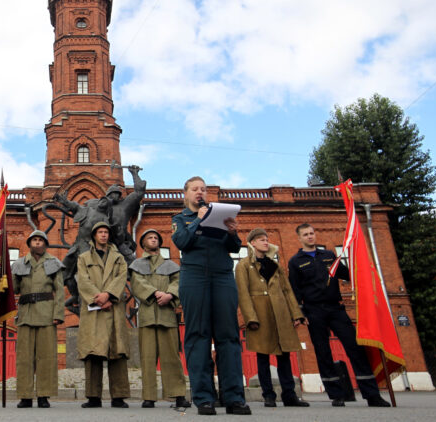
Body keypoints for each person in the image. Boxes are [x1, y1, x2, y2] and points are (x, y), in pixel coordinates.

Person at [288, 223, 391, 408]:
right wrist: (299, 313)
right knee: (323, 352)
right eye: (306, 234)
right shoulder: (296, 261)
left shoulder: (329, 256)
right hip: (314, 311)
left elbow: (349, 274)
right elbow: (295, 290)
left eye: (312, 233)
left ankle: (372, 394)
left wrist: (362, 265)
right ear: (299, 238)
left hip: (336, 308)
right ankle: (336, 395)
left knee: (355, 348)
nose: (310, 236)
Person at [171, 176, 251, 416]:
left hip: (223, 275)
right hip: (194, 276)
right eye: (194, 189)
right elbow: (183, 242)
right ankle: (204, 398)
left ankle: (234, 397)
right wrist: (198, 219)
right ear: (185, 194)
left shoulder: (218, 216)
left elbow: (234, 248)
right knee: (198, 335)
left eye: (203, 189)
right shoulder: (180, 219)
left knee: (228, 336)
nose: (200, 192)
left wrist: (232, 233)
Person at [235, 228, 309, 408]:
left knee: (285, 355)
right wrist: (250, 317)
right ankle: (268, 395)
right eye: (261, 240)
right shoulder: (243, 265)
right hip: (261, 316)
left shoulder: (275, 266)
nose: (265, 242)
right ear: (252, 243)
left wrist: (296, 313)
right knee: (263, 356)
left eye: (267, 239)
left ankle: (289, 395)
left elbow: (287, 291)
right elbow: (242, 293)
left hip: (281, 314)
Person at [128, 229, 190, 409]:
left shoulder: (170, 265)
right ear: (143, 243)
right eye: (150, 238)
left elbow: (178, 282)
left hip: (167, 316)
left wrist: (170, 295)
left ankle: (178, 394)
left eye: (156, 238)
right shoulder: (137, 264)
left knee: (172, 357)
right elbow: (137, 284)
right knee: (147, 357)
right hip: (147, 316)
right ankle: (149, 396)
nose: (154, 240)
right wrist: (155, 293)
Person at [76, 221, 131, 408]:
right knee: (93, 353)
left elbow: (121, 277)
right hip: (94, 311)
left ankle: (119, 396)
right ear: (94, 235)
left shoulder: (119, 258)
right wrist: (98, 298)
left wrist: (108, 295)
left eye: (106, 232)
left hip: (113, 307)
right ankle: (93, 397)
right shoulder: (83, 257)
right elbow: (82, 280)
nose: (103, 235)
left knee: (117, 352)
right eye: (100, 232)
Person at [11, 230, 65, 408]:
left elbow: (59, 291)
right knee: (24, 357)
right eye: (34, 240)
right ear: (29, 243)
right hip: (26, 313)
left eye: (41, 240)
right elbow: (15, 290)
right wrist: (9, 277)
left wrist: (58, 314)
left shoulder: (53, 263)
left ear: (45, 244)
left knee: (46, 357)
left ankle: (44, 395)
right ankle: (25, 396)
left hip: (46, 313)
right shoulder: (20, 263)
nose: (38, 243)